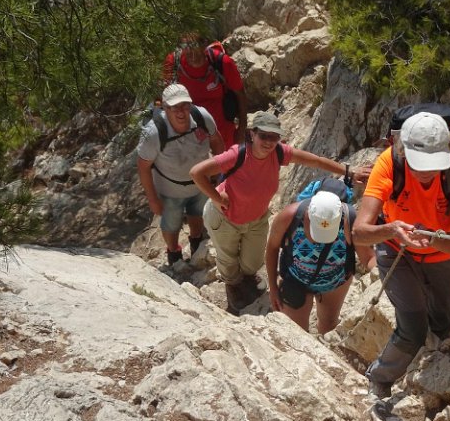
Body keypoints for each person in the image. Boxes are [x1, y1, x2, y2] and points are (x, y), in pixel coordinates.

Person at [353, 111, 450, 399]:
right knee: (412, 326)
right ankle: (379, 380)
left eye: (433, 164)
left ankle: (435, 370)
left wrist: (433, 238)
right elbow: (359, 233)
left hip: (444, 257)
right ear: (402, 150)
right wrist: (391, 230)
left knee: (444, 320)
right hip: (397, 251)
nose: (426, 172)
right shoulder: (389, 164)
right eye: (420, 163)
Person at [189, 110, 354, 315]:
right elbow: (196, 173)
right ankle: (233, 287)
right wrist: (216, 197)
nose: (268, 142)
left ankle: (247, 279)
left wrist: (348, 172)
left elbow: (317, 161)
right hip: (225, 218)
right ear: (252, 134)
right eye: (264, 135)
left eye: (274, 137)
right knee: (228, 259)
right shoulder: (237, 154)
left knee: (252, 261)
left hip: (256, 219)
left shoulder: (279, 153)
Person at [265, 188, 375, 334]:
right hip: (296, 281)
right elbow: (272, 248)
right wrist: (273, 288)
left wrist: (382, 275)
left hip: (335, 282)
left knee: (329, 325)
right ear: (309, 214)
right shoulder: (290, 217)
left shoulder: (350, 221)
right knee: (295, 331)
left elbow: (368, 258)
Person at [137, 83, 225, 266]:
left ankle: (196, 240)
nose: (181, 111)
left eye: (185, 105)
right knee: (171, 223)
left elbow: (216, 140)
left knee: (197, 214)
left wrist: (218, 174)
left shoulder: (201, 117)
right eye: (174, 107)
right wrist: (152, 199)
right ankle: (174, 251)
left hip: (201, 184)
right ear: (164, 108)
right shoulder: (153, 133)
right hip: (170, 190)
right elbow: (143, 167)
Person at [164, 32, 247, 147]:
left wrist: (242, 129)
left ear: (204, 44)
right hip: (188, 136)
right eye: (185, 46)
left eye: (194, 45)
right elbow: (163, 97)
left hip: (223, 133)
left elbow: (240, 95)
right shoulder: (173, 63)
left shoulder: (221, 62)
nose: (191, 53)